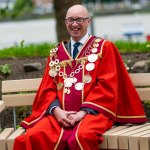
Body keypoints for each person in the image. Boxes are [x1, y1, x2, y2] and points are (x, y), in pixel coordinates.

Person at [13, 4, 147, 150]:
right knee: (35, 135)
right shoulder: (56, 53)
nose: (75, 24)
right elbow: (47, 89)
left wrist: (81, 113)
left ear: (88, 21)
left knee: (81, 137)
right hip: (60, 115)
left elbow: (106, 87)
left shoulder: (104, 48)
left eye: (79, 20)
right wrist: (57, 112)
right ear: (65, 23)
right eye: (70, 20)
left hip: (92, 113)